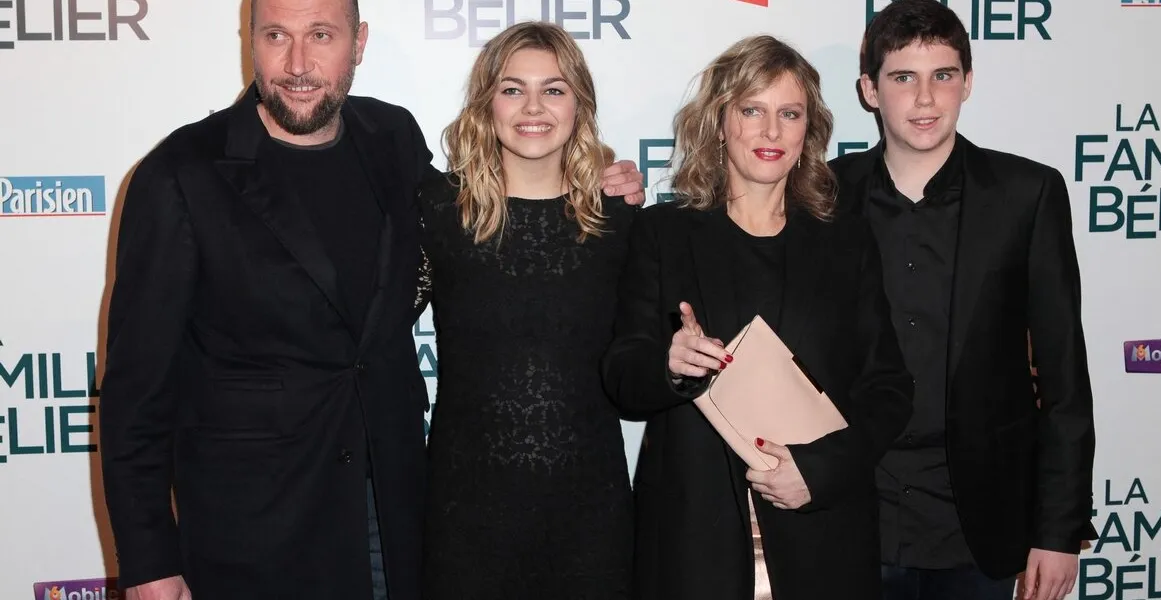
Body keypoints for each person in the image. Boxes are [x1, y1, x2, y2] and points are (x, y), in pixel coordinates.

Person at [97, 1, 645, 598]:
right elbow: (136, 391)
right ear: (249, 41)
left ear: (357, 44)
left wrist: (600, 182)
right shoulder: (181, 174)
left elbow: (495, 228)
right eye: (277, 35)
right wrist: (150, 559)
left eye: (321, 36)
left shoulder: (391, 139)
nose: (299, 62)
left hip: (394, 510)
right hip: (253, 528)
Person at [601, 35, 914, 600]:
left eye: (789, 114)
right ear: (720, 123)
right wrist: (670, 365)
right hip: (696, 540)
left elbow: (888, 387)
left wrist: (820, 470)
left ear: (808, 131)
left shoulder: (846, 239)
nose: (771, 132)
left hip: (822, 534)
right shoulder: (663, 233)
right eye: (752, 110)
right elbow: (623, 376)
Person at [830, 1, 1098, 599]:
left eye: (943, 76)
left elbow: (1064, 379)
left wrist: (1058, 531)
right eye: (903, 77)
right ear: (870, 90)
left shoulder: (1028, 195)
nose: (925, 99)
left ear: (968, 83)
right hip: (850, 518)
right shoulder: (822, 195)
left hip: (980, 528)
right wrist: (624, 192)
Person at [417, 21, 635, 599]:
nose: (533, 107)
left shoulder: (620, 222)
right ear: (486, 102)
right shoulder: (439, 213)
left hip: (593, 520)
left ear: (579, 106)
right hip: (466, 521)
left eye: (554, 89)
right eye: (513, 89)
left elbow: (644, 362)